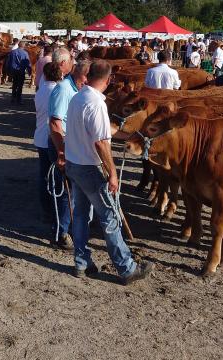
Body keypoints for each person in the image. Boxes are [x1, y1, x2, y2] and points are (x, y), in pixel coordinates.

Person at [64, 59, 153, 284]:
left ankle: (81, 262)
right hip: (90, 167)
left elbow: (95, 132)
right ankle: (126, 268)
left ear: (88, 75)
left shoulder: (77, 97)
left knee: (82, 215)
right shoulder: (96, 103)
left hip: (74, 163)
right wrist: (112, 173)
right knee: (110, 217)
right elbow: (101, 143)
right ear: (109, 79)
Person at [47, 48, 88, 249]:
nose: (85, 84)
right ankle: (60, 233)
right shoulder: (64, 89)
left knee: (72, 189)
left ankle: (68, 227)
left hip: (71, 145)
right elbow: (55, 123)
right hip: (61, 144)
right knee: (65, 190)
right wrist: (61, 152)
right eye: (83, 80)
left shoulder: (76, 88)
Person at [34, 61, 64, 230]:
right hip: (51, 139)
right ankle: (54, 212)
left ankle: (46, 211)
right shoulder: (57, 91)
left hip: (40, 136)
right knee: (56, 179)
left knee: (44, 175)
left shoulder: (41, 90)